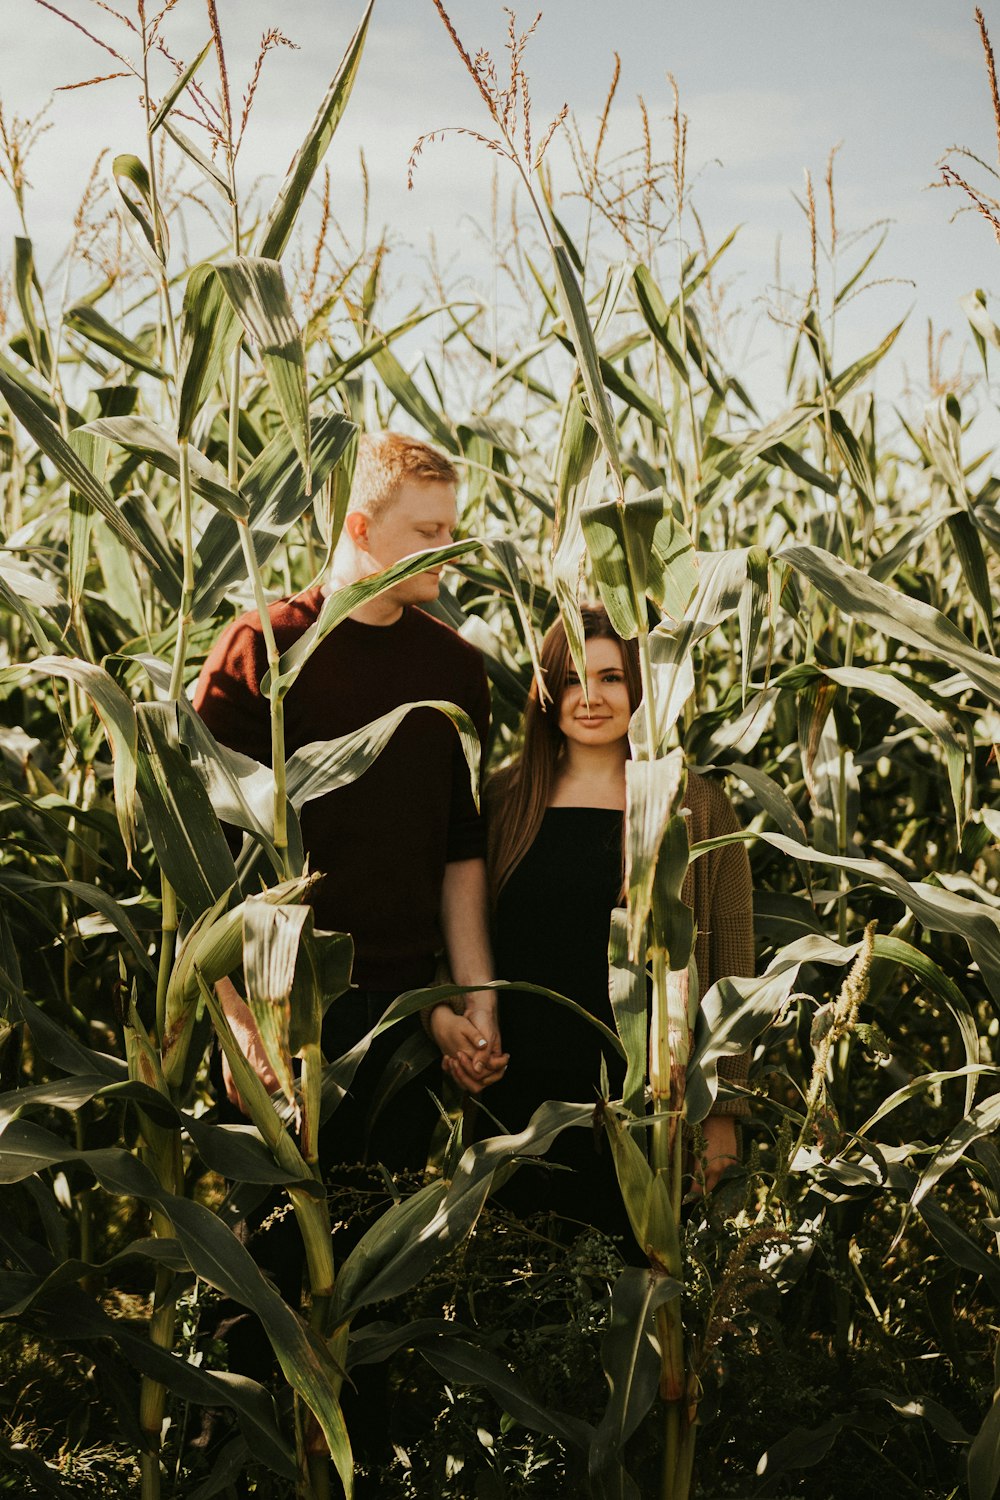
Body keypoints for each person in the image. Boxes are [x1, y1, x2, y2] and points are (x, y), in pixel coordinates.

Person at [193, 430, 508, 1172]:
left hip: (405, 1017)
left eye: (452, 529)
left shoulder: (455, 669)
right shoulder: (258, 650)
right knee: (270, 1260)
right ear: (359, 528)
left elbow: (461, 848)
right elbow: (200, 859)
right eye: (427, 533)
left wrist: (477, 998)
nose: (448, 548)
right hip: (279, 1008)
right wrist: (239, 1026)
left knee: (383, 1246)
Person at [480, 604, 754, 1231]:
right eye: (573, 678)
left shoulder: (696, 807)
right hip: (517, 1105)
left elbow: (733, 970)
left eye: (611, 678)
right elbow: (467, 935)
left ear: (643, 686)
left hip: (648, 1107)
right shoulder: (504, 800)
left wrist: (719, 1117)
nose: (590, 698)